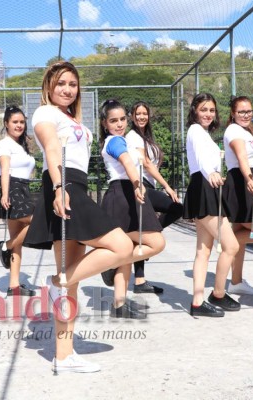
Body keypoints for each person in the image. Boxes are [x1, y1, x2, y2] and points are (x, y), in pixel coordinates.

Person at [23, 61, 136, 373]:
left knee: (70, 280)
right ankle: (57, 281)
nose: (67, 89)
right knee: (121, 247)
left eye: (72, 84)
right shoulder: (45, 113)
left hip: (77, 186)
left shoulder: (74, 118)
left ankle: (63, 355)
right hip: (64, 184)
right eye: (61, 83)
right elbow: (50, 146)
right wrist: (60, 187)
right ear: (48, 86)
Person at [99, 99, 165, 315]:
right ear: (104, 123)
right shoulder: (115, 142)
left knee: (127, 248)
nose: (119, 124)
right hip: (124, 193)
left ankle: (119, 304)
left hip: (126, 192)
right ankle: (112, 262)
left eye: (122, 119)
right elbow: (128, 162)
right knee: (156, 243)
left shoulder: (122, 139)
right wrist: (138, 183)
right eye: (113, 120)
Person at [183, 92, 240, 317]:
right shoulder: (196, 130)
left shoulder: (205, 133)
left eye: (212, 110)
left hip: (206, 187)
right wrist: (212, 173)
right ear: (195, 110)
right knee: (231, 246)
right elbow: (201, 158)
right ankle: (217, 293)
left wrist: (215, 173)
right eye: (204, 109)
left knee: (203, 250)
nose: (208, 114)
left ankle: (197, 303)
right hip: (204, 186)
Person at [126, 100, 183, 294]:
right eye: (138, 114)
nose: (142, 117)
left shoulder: (146, 137)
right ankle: (119, 264)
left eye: (145, 113)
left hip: (148, 184)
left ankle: (140, 281)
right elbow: (148, 164)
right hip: (141, 186)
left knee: (142, 235)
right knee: (177, 208)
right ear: (132, 117)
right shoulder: (133, 136)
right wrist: (167, 186)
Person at [222, 96, 253, 295]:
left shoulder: (245, 130)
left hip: (248, 179)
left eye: (249, 111)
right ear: (233, 114)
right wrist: (249, 178)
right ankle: (228, 242)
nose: (246, 115)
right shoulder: (234, 130)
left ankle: (236, 281)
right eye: (242, 112)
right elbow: (242, 156)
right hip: (243, 180)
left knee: (242, 232)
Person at [0, 105, 36, 296]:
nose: (19, 125)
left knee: (18, 240)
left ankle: (14, 286)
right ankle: (6, 246)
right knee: (37, 221)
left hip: (22, 187)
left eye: (22, 122)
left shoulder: (21, 145)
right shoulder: (4, 144)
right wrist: (5, 194)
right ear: (6, 124)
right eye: (15, 122)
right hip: (11, 187)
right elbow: (5, 169)